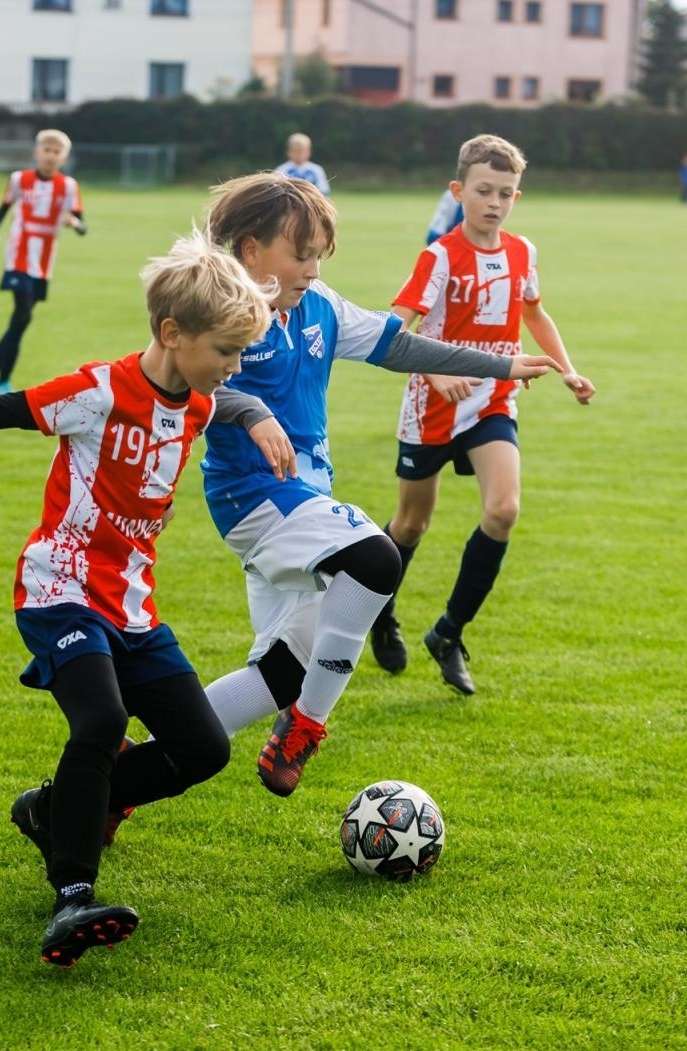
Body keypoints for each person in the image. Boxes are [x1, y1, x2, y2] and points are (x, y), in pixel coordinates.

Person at [0, 230, 295, 968]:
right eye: (225, 351)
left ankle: (54, 810)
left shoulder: (198, 401)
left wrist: (254, 412)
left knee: (203, 748)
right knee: (102, 719)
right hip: (59, 587)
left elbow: (230, 400)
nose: (234, 366)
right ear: (171, 333)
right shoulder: (99, 392)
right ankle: (72, 896)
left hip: (132, 606)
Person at [189, 173, 560, 798]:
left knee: (280, 671)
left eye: (318, 256)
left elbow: (400, 345)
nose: (311, 267)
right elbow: (179, 382)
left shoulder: (321, 307)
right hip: (252, 496)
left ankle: (123, 775)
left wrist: (500, 364)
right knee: (375, 556)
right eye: (299, 253)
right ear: (250, 250)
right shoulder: (217, 308)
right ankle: (305, 727)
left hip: (304, 499)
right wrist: (250, 412)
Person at [367, 135, 594, 694]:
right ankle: (378, 609)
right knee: (412, 524)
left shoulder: (522, 253)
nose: (495, 202)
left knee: (503, 510)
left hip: (493, 400)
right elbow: (397, 325)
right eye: (484, 191)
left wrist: (567, 369)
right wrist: (435, 371)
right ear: (458, 191)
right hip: (432, 407)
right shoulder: (441, 255)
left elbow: (535, 315)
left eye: (507, 193)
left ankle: (448, 632)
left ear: (518, 197)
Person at [0, 129, 87, 395]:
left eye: (56, 152)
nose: (50, 156)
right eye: (46, 150)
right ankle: (3, 382)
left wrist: (74, 223)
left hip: (44, 261)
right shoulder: (19, 180)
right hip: (19, 255)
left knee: (20, 321)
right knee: (22, 315)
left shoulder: (68, 186)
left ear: (64, 157)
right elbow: (3, 208)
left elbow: (83, 225)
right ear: (37, 152)